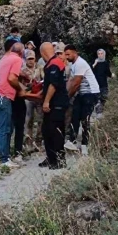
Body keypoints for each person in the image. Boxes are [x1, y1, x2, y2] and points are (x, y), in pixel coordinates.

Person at [0, 40, 25, 169]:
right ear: (20, 51)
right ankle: (4, 160)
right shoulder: (17, 59)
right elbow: (11, 78)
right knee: (4, 129)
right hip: (3, 97)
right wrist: (21, 89)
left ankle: (6, 157)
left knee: (6, 127)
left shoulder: (4, 59)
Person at [64, 45, 100, 156]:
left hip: (90, 92)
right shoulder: (73, 64)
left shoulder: (80, 63)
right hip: (82, 93)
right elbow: (71, 81)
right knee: (75, 115)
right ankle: (73, 141)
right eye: (65, 54)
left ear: (75, 53)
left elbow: (76, 83)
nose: (66, 56)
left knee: (85, 119)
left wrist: (67, 97)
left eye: (68, 54)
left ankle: (85, 145)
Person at [38, 42, 69, 170]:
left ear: (42, 53)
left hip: (56, 103)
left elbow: (53, 84)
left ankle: (59, 160)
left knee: (55, 131)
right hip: (53, 103)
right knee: (46, 130)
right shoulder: (51, 64)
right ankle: (51, 158)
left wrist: (46, 101)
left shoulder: (55, 64)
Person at [21, 49, 44, 151]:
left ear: (35, 59)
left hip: (39, 96)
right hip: (28, 97)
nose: (30, 61)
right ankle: (28, 143)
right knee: (28, 120)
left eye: (32, 59)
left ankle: (38, 142)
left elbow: (44, 80)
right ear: (25, 59)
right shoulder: (22, 70)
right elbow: (20, 84)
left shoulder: (40, 68)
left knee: (41, 119)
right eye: (28, 59)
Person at [92, 49, 113, 113]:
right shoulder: (94, 62)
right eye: (99, 54)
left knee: (103, 99)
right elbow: (90, 71)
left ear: (104, 54)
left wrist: (112, 75)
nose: (100, 55)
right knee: (97, 101)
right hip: (96, 85)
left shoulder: (105, 63)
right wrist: (94, 64)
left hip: (103, 84)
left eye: (101, 54)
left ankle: (102, 113)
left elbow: (108, 72)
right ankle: (98, 114)